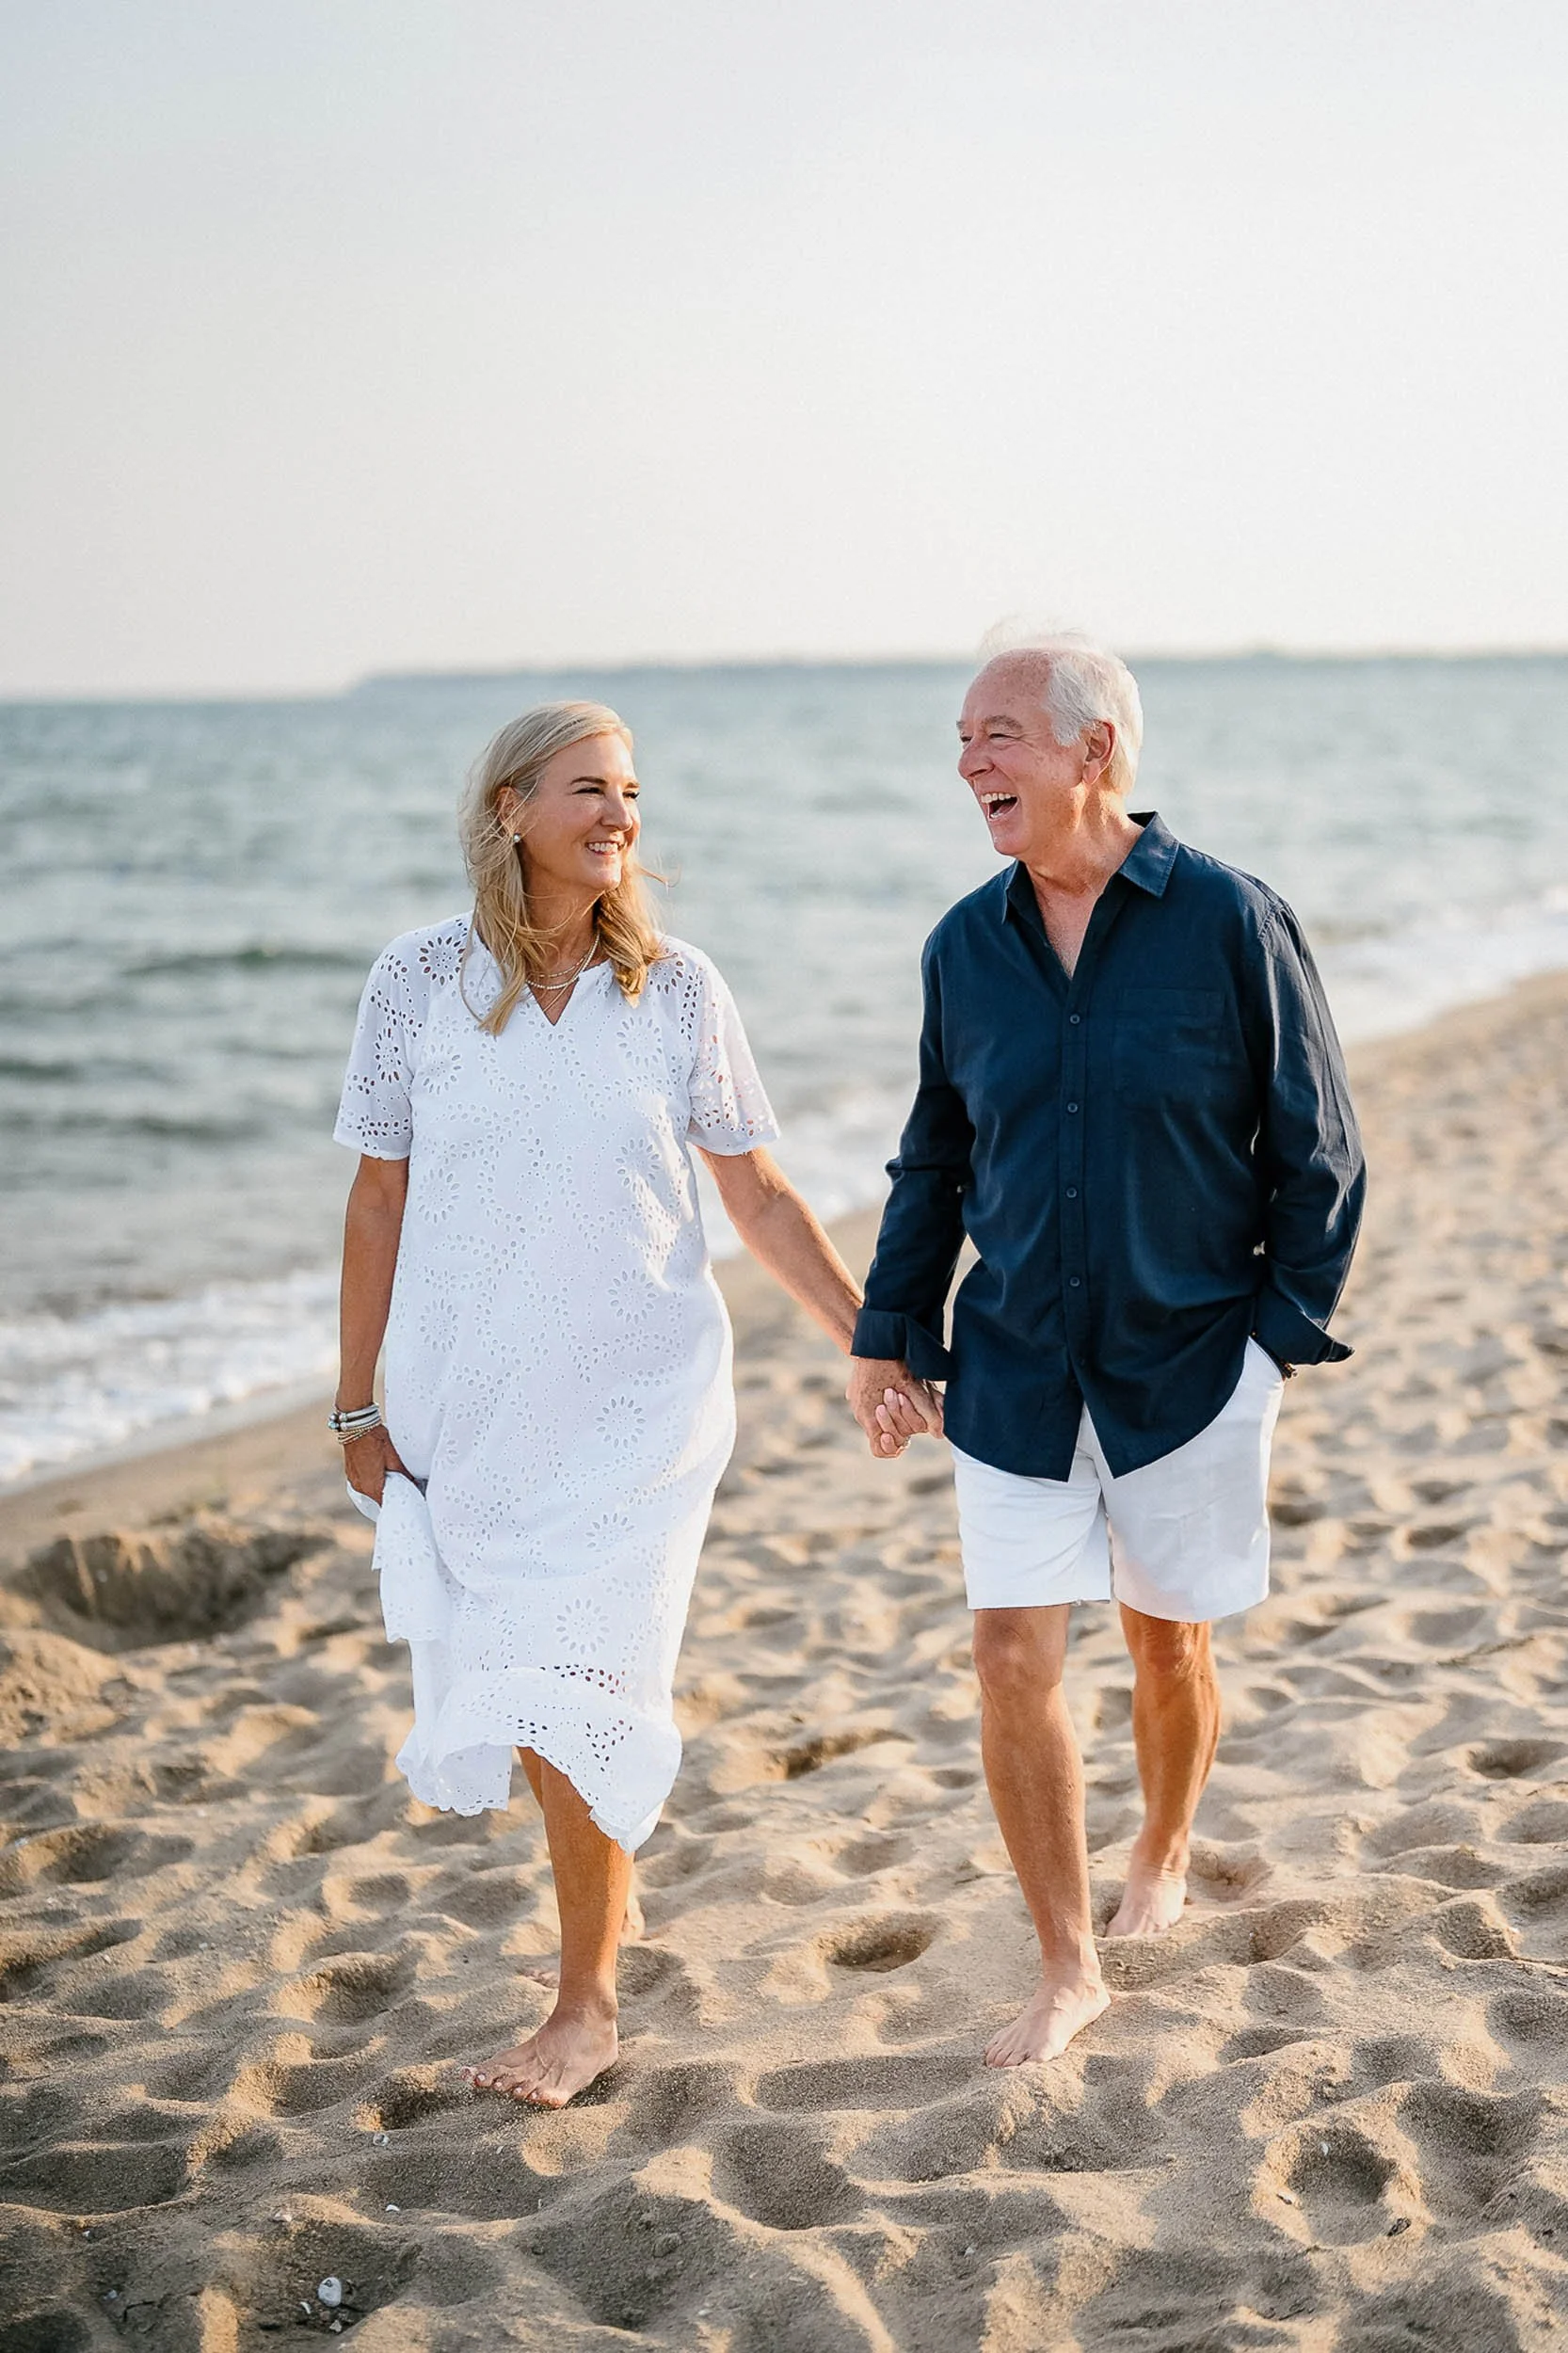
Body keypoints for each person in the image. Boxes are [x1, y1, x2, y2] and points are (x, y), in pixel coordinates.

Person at [333, 700, 862, 2107]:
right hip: (474, 1413)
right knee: (527, 1694)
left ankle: (585, 2007)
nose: (621, 813)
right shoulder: (417, 983)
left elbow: (754, 1188)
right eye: (589, 789)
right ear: (510, 809)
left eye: (630, 790)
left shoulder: (676, 988)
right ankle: (596, 1945)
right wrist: (350, 1406)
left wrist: (865, 1341)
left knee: (584, 1686)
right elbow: (376, 1194)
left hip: (641, 1412)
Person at [845, 635, 1365, 2068]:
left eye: (998, 735)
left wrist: (1268, 1345)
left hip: (1189, 1364)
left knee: (1165, 1639)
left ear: (1093, 751)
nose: (969, 764)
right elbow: (933, 1159)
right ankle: (1066, 1966)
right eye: (962, 739)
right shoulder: (964, 944)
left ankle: (1166, 1848)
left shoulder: (1227, 919)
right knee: (1011, 1652)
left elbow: (1317, 1152)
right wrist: (888, 1337)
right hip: (1010, 1362)